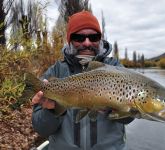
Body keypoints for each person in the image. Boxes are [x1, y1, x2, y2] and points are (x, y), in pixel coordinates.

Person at [32, 11, 134, 150]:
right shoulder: (54, 73)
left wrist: (118, 106)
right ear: (70, 40)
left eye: (93, 37)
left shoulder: (115, 68)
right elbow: (41, 129)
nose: (87, 43)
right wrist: (51, 111)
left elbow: (128, 118)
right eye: (79, 37)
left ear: (100, 39)